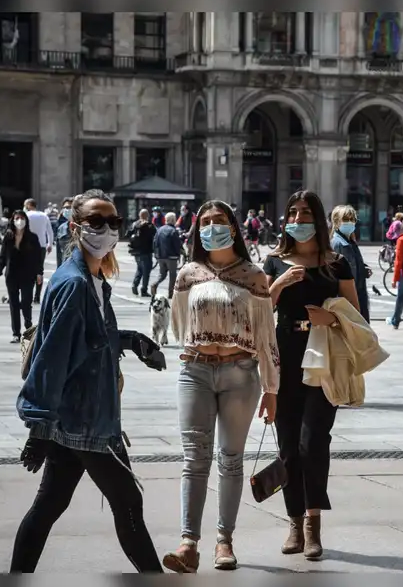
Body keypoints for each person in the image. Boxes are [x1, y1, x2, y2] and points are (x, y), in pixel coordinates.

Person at [10, 189, 165, 573]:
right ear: (75, 227)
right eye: (97, 221)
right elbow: (52, 357)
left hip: (79, 418)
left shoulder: (93, 280)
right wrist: (40, 427)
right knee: (128, 506)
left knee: (49, 505)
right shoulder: (75, 284)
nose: (108, 229)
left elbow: (87, 339)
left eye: (114, 222)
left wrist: (130, 340)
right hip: (88, 424)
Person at [162, 200, 278, 572]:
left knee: (230, 460)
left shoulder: (254, 275)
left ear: (234, 226)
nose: (212, 227)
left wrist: (272, 389)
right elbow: (180, 327)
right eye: (205, 222)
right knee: (194, 459)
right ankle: (188, 544)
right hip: (194, 371)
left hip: (241, 373)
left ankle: (224, 541)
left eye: (219, 220)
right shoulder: (187, 273)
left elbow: (267, 338)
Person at [262, 190, 360, 561]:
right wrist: (279, 285)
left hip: (323, 359)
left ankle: (313, 525)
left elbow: (356, 314)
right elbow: (259, 312)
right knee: (288, 445)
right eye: (292, 212)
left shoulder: (337, 263)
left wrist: (332, 317)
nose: (298, 219)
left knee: (313, 441)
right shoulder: (273, 261)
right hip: (284, 357)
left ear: (318, 219)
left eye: (305, 213)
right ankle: (293, 520)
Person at [0, 210, 44, 343]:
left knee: (26, 302)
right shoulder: (8, 237)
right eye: (17, 218)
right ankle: (16, 333)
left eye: (22, 218)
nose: (20, 221)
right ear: (13, 220)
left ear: (26, 221)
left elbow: (38, 257)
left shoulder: (32, 238)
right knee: (14, 304)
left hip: (28, 275)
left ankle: (28, 328)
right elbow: (3, 256)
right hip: (12, 275)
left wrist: (40, 273)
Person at [330, 204, 371, 322]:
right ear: (337, 222)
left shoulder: (350, 241)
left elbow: (352, 264)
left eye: (352, 219)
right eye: (346, 219)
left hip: (359, 291)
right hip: (349, 297)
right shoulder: (338, 244)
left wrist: (363, 269)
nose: (350, 223)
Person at [151, 211, 184, 299]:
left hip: (161, 256)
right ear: (173, 220)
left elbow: (155, 242)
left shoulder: (160, 230)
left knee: (162, 274)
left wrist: (157, 255)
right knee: (173, 275)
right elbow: (177, 244)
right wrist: (179, 254)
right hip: (171, 257)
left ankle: (154, 284)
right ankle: (170, 293)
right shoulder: (173, 231)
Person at [127, 209, 157, 298]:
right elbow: (155, 236)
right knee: (146, 271)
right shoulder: (149, 225)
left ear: (139, 215)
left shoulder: (134, 224)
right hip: (146, 252)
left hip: (136, 252)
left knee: (139, 269)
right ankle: (144, 290)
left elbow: (127, 234)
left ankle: (134, 285)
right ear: (147, 216)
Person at [54, 197, 73, 267]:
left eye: (69, 207)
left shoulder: (85, 227)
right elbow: (59, 254)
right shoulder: (61, 228)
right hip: (65, 267)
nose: (66, 210)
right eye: (65, 208)